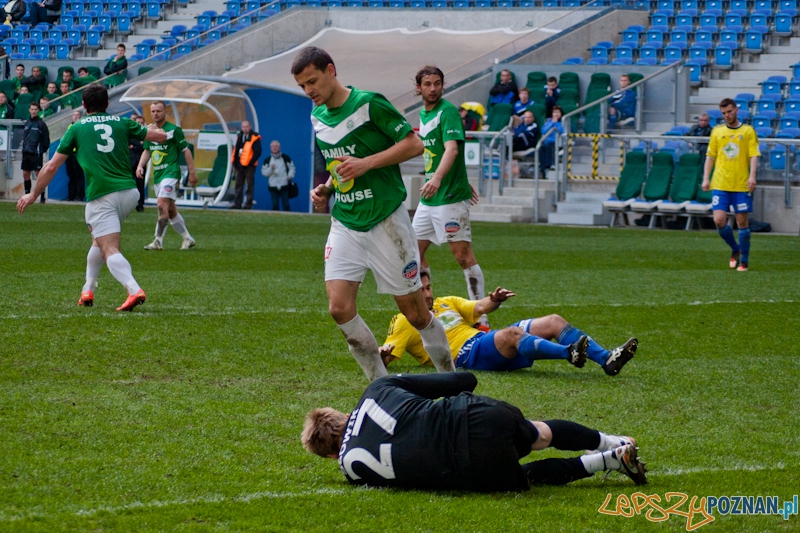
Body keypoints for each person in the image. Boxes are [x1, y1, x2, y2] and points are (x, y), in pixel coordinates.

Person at [292, 46, 453, 381]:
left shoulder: (369, 103)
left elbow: (414, 144)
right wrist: (327, 188)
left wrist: (366, 164)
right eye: (302, 86)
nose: (308, 91)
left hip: (386, 221)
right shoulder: (317, 116)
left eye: (312, 81)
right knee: (339, 308)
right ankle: (382, 387)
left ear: (331, 70)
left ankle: (452, 381)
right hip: (346, 222)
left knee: (415, 315)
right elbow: (340, 165)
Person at [301, 372, 648, 492]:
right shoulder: (376, 390)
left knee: (521, 474)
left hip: (466, 466)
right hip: (475, 417)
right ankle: (610, 441)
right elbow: (464, 380)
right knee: (539, 434)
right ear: (344, 414)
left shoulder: (352, 471)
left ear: (331, 454)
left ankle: (609, 460)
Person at [16, 84, 167, 311]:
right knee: (98, 240)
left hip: (103, 195)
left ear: (84, 105)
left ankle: (134, 289)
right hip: (129, 193)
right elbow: (161, 137)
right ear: (107, 104)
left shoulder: (77, 128)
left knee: (109, 248)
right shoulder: (122, 122)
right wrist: (154, 128)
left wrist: (34, 193)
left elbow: (51, 167)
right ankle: (88, 289)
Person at [380, 271, 637, 375]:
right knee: (513, 334)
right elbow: (387, 357)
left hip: (482, 341)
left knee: (553, 321)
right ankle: (568, 353)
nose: (428, 294)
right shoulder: (404, 321)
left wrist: (494, 300)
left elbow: (480, 307)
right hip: (465, 356)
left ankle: (606, 359)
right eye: (421, 290)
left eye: (428, 287)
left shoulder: (445, 302)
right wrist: (382, 355)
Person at [414, 66, 489, 326]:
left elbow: (452, 150)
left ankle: (481, 319)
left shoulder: (447, 112)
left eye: (437, 83)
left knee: (462, 256)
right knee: (413, 253)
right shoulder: (424, 114)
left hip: (449, 197)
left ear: (443, 85)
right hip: (430, 198)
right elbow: (436, 150)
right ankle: (429, 308)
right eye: (427, 84)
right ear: (418, 88)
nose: (433, 88)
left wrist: (437, 178)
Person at [702, 98, 759, 272]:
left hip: (741, 184)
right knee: (719, 220)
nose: (727, 115)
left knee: (742, 222)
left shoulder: (748, 131)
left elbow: (753, 155)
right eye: (724, 113)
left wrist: (752, 176)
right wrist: (706, 178)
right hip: (720, 183)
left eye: (729, 112)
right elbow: (710, 156)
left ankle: (744, 261)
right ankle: (735, 248)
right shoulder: (717, 131)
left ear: (736, 110)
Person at [138, 100, 197, 251]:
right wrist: (140, 165)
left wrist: (192, 172)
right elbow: (147, 150)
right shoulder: (150, 131)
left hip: (171, 173)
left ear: (165, 112)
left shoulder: (174, 130)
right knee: (170, 211)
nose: (155, 114)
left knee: (161, 204)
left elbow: (186, 151)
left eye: (158, 111)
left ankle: (158, 240)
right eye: (153, 111)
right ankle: (187, 238)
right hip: (158, 174)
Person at [230, 120, 262, 210]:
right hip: (239, 165)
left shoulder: (255, 137)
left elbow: (257, 152)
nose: (245, 129)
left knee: (249, 185)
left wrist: (251, 162)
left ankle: (248, 204)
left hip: (250, 166)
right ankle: (237, 204)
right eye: (243, 127)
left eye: (246, 127)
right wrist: (235, 164)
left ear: (250, 127)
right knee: (238, 185)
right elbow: (236, 150)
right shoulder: (239, 136)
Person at [21, 101, 49, 204]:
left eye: (35, 109)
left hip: (36, 153)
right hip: (26, 152)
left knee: (39, 175)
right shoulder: (27, 123)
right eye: (32, 109)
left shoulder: (41, 124)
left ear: (38, 110)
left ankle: (42, 197)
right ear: (29, 110)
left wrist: (41, 150)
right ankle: (26, 195)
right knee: (25, 174)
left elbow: (46, 140)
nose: (33, 111)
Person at [261, 139, 294, 212]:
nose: (274, 148)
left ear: (279, 147)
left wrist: (289, 176)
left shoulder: (285, 158)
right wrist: (270, 169)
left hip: (284, 184)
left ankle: (288, 217)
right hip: (273, 185)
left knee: (286, 204)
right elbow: (264, 173)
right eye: (273, 146)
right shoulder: (267, 160)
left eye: (276, 146)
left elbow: (292, 168)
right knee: (275, 204)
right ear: (270, 148)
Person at [65, 109, 85, 202]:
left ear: (80, 117)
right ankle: (71, 195)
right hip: (70, 153)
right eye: (74, 115)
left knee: (79, 175)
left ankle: (79, 196)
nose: (76, 117)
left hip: (78, 153)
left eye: (78, 115)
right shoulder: (70, 126)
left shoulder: (82, 127)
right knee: (71, 175)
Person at [539, 105, 564, 177]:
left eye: (558, 112)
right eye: (555, 112)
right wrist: (552, 123)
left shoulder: (563, 121)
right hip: (546, 141)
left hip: (557, 142)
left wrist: (556, 123)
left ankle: (549, 165)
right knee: (541, 148)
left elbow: (561, 131)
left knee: (549, 146)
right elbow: (543, 131)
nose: (556, 114)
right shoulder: (548, 121)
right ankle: (542, 168)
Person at [128, 113, 146, 212]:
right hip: (130, 162)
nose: (140, 124)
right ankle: (128, 204)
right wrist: (138, 144)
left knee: (140, 185)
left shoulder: (145, 134)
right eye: (138, 122)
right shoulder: (130, 133)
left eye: (141, 123)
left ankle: (140, 205)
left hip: (141, 163)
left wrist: (134, 146)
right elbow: (128, 144)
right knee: (128, 184)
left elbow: (144, 146)